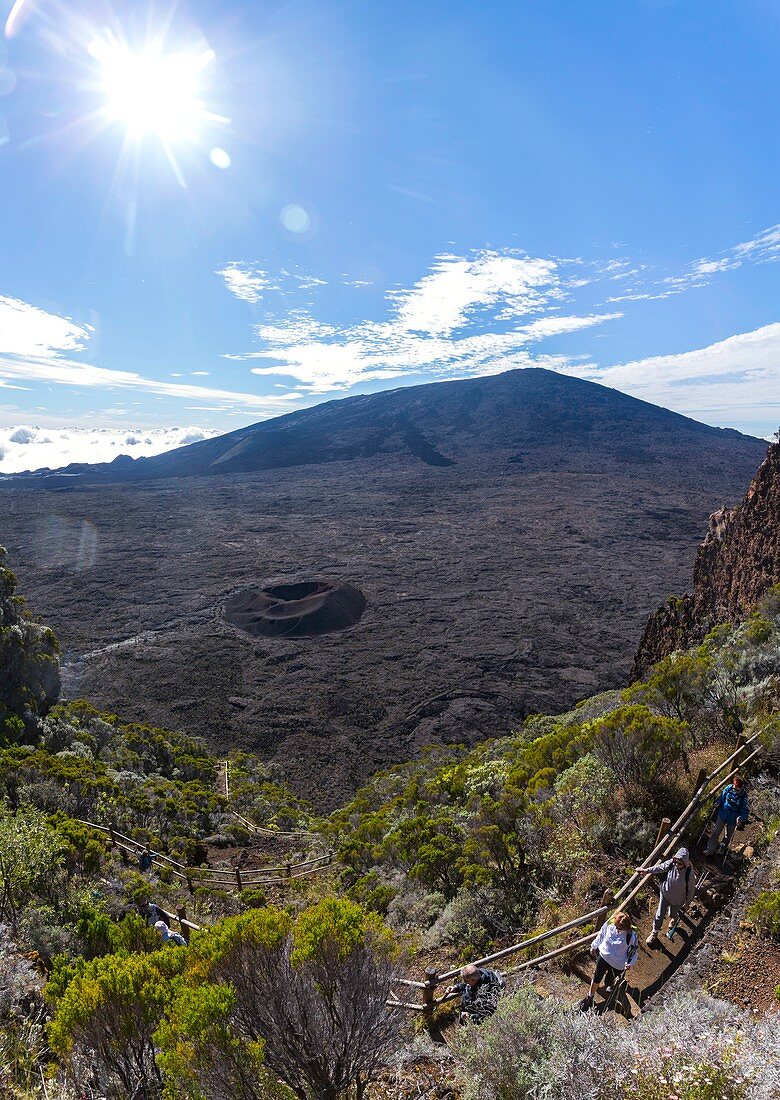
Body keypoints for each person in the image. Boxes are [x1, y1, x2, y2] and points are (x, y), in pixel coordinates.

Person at [636, 847, 696, 945]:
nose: (677, 865)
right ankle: (654, 932)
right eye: (676, 861)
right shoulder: (671, 864)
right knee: (659, 915)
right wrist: (646, 870)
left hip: (678, 900)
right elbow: (660, 867)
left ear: (685, 863)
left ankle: (674, 918)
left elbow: (691, 891)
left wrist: (687, 904)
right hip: (665, 894)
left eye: (679, 863)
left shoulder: (689, 874)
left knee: (672, 914)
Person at [580, 911, 638, 1011]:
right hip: (603, 956)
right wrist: (594, 946)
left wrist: (629, 963)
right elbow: (601, 935)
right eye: (616, 925)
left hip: (618, 964)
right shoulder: (610, 924)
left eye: (619, 927)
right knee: (597, 977)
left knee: (609, 980)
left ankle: (610, 985)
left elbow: (633, 952)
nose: (616, 928)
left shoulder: (631, 936)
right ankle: (590, 996)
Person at [705, 775, 749, 857]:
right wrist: (718, 802)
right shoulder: (729, 788)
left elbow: (745, 811)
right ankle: (710, 850)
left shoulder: (744, 797)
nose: (734, 787)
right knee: (716, 832)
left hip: (733, 819)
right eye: (734, 785)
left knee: (728, 836)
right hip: (722, 814)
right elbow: (722, 797)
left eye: (736, 787)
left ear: (741, 787)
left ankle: (722, 848)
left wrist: (741, 818)